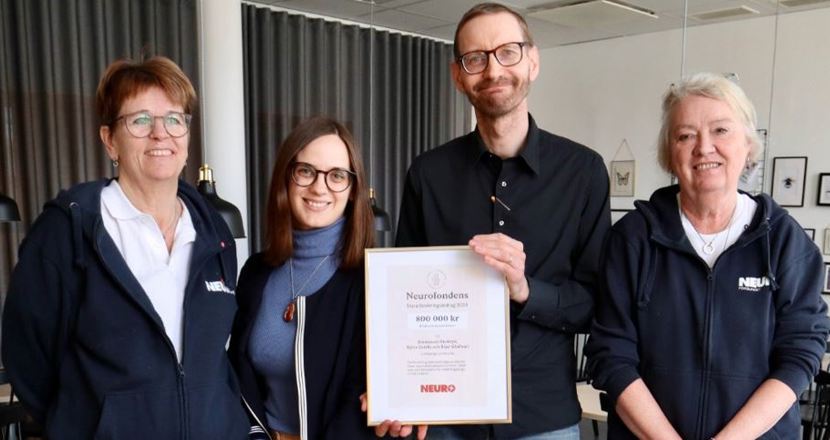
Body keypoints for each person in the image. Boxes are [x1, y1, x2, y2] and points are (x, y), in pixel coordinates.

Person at [394, 3, 611, 438]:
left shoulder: (583, 172)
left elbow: (596, 305)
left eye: (507, 52)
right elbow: (402, 300)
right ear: (459, 76)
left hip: (542, 416)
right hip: (445, 416)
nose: (493, 69)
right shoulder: (428, 173)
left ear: (532, 61)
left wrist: (527, 290)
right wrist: (401, 390)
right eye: (475, 58)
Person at [1, 56, 249, 438]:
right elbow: (29, 359)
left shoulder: (213, 232)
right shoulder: (69, 231)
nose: (160, 133)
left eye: (174, 119)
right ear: (109, 140)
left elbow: (217, 358)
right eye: (140, 120)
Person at [585, 72, 830, 439]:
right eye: (685, 136)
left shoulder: (785, 242)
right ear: (670, 154)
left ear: (748, 145)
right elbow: (612, 354)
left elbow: (800, 354)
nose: (704, 147)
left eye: (721, 130)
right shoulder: (632, 239)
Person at [229, 117, 375, 440]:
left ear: (353, 191)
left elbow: (363, 395)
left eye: (337, 176)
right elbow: (237, 376)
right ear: (287, 177)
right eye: (306, 171)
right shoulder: (256, 273)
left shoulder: (370, 281)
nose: (319, 187)